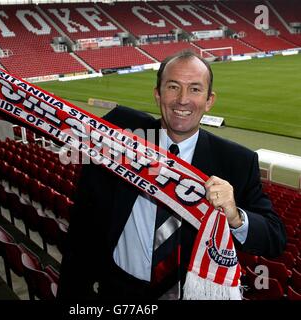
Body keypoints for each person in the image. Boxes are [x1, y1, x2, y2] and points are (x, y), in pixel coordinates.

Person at [57, 50, 286, 300]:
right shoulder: (121, 136)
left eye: (195, 89)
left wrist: (235, 216)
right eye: (173, 86)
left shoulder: (237, 162)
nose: (182, 100)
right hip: (118, 291)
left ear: (210, 100)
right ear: (157, 94)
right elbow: (82, 230)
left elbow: (274, 239)